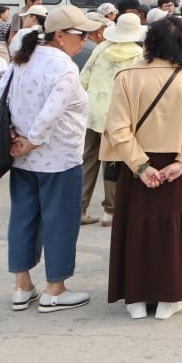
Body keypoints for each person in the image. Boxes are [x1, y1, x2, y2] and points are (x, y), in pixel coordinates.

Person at [103, 16, 182, 320]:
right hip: (179, 163)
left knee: (136, 227)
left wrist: (140, 166)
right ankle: (171, 295)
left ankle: (135, 298)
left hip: (137, 161)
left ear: (149, 42)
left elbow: (117, 128)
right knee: (175, 230)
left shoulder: (126, 77)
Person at [6, 4, 101, 313]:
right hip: (58, 157)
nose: (85, 40)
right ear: (61, 35)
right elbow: (52, 111)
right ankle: (55, 288)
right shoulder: (64, 67)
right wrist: (32, 141)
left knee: (23, 218)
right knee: (60, 222)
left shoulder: (23, 57)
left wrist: (17, 139)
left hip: (22, 155)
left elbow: (0, 98)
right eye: (81, 34)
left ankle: (22, 285)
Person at [79, 13, 146, 227]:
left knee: (87, 161)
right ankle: (110, 211)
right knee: (113, 162)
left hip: (92, 112)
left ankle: (80, 208)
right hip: (117, 116)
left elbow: (84, 79)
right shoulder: (139, 55)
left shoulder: (101, 48)